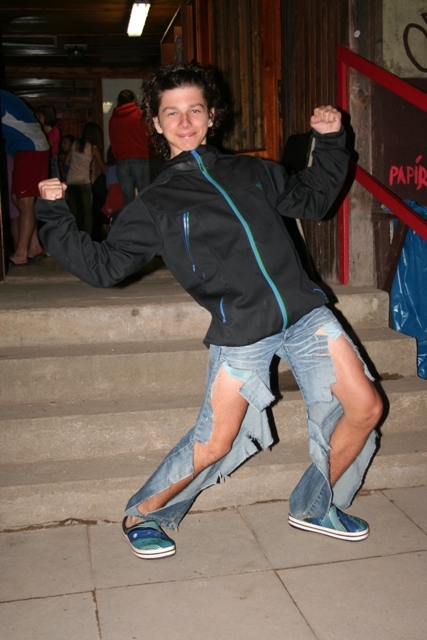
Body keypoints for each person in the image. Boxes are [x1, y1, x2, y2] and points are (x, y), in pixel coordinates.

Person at [36, 62, 383, 560]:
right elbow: (105, 266)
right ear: (156, 124)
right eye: (171, 113)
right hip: (242, 329)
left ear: (211, 116)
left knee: (366, 407)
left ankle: (313, 505)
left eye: (194, 109)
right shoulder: (156, 202)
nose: (185, 121)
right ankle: (143, 513)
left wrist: (330, 141)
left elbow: (313, 201)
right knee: (216, 443)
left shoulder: (254, 171)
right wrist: (53, 215)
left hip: (305, 315)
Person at [1, 89, 50, 266]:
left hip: (30, 146)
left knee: (25, 202)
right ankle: (34, 246)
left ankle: (21, 253)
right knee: (17, 199)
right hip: (25, 148)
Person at [108, 89, 151, 206]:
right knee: (144, 197)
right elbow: (149, 134)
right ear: (133, 100)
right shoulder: (140, 115)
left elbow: (112, 140)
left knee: (127, 200)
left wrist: (118, 155)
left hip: (122, 160)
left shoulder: (113, 118)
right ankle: (144, 218)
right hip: (140, 158)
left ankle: (130, 218)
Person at [65, 122, 106, 235]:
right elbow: (103, 168)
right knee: (87, 212)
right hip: (84, 181)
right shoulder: (93, 148)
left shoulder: (75, 144)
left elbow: (67, 162)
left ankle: (72, 235)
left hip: (71, 181)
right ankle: (86, 237)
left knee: (73, 212)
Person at [36, 104, 61, 178]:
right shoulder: (40, 132)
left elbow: (49, 144)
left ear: (47, 117)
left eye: (39, 117)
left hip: (51, 160)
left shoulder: (54, 131)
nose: (37, 119)